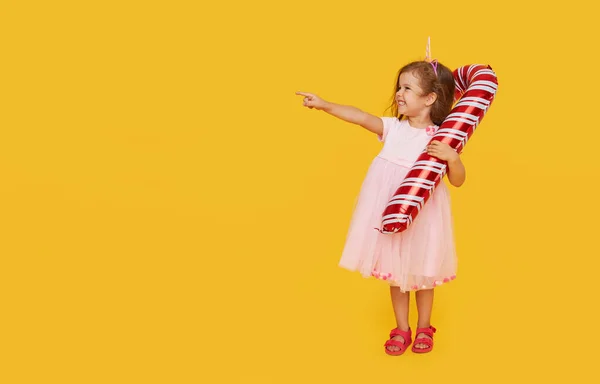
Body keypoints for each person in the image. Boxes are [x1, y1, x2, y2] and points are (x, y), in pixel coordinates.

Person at [296, 57, 464, 356]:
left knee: (423, 273)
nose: (399, 93)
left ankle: (425, 326)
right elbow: (359, 116)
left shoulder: (441, 137)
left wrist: (452, 157)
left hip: (424, 216)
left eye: (408, 88)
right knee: (396, 273)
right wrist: (324, 104)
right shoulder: (393, 129)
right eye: (399, 87)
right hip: (391, 213)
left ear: (430, 98)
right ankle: (402, 328)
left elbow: (458, 181)